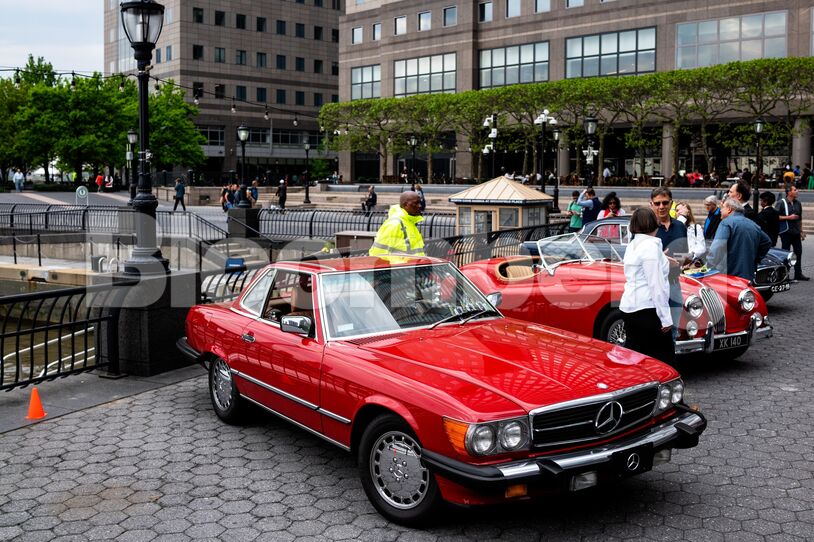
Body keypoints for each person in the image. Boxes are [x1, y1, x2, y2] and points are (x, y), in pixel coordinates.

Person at [619, 208, 674, 364]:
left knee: (636, 359)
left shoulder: (633, 245)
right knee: (663, 361)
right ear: (653, 223)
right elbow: (656, 285)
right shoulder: (650, 247)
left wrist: (662, 258)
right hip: (646, 309)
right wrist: (665, 318)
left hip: (629, 306)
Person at [650, 187, 686, 340]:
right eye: (657, 203)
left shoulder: (680, 226)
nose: (661, 207)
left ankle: (670, 362)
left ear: (671, 203)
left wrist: (685, 260)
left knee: (673, 330)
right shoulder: (646, 228)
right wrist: (662, 260)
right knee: (655, 331)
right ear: (651, 204)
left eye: (665, 203)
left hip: (674, 284)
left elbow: (684, 252)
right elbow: (636, 258)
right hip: (653, 286)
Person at [708, 198, 771, 282]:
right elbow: (767, 242)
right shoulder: (753, 224)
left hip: (728, 274)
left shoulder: (726, 222)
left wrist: (708, 266)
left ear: (729, 209)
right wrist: (755, 258)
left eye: (722, 207)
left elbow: (717, 247)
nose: (720, 210)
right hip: (748, 275)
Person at [369, 191, 425, 257]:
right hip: (400, 266)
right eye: (416, 203)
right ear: (405, 204)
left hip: (412, 266)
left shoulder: (410, 222)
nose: (419, 206)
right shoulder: (395, 224)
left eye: (420, 202)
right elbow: (378, 253)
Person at [776, 185, 808, 280]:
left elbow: (800, 218)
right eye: (795, 190)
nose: (797, 191)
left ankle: (798, 274)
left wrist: (801, 231)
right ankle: (784, 275)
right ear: (789, 192)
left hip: (796, 232)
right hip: (786, 232)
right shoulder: (781, 203)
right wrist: (788, 217)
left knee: (798, 252)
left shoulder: (798, 203)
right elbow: (774, 217)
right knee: (786, 254)